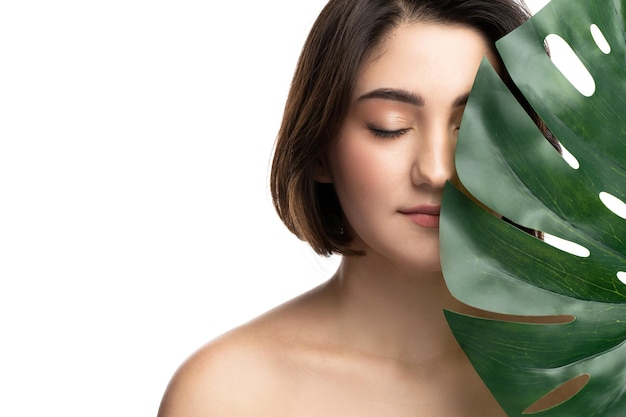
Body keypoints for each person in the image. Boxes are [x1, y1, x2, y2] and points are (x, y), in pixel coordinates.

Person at [157, 0, 557, 415]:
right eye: (391, 126)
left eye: (476, 123)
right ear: (320, 151)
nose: (436, 171)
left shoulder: (600, 370)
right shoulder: (229, 394)